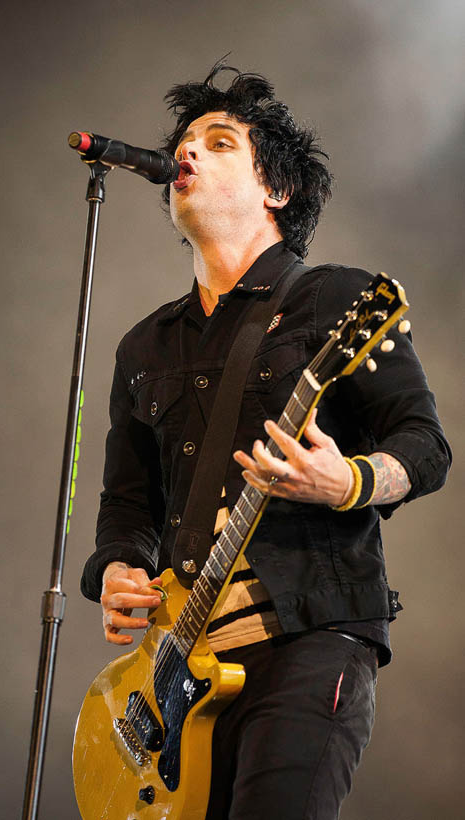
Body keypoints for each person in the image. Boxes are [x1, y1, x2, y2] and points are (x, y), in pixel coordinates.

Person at [80, 63, 451, 819]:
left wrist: (344, 481)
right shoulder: (144, 346)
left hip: (307, 644)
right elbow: (128, 502)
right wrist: (118, 569)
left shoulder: (337, 298)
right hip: (175, 674)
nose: (187, 152)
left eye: (218, 143)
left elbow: (424, 446)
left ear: (274, 190)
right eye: (183, 142)